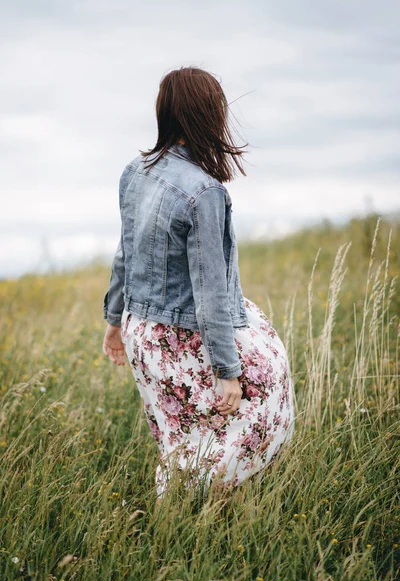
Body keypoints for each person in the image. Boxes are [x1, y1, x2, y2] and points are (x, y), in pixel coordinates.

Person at [102, 66, 295, 502]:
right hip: (179, 335)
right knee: (263, 393)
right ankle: (187, 508)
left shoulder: (137, 171)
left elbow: (124, 255)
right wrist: (227, 370)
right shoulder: (204, 191)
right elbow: (209, 292)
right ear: (209, 115)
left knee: (184, 433)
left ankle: (196, 511)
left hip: (142, 333)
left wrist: (115, 320)